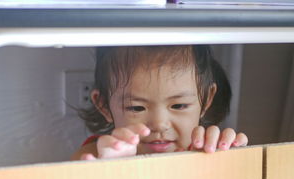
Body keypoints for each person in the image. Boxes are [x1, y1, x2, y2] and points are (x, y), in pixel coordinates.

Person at [71, 45, 247, 160]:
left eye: (179, 105)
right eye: (136, 107)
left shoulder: (207, 150)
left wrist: (223, 160)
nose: (159, 124)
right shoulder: (96, 154)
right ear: (104, 105)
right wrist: (111, 170)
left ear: (207, 99)